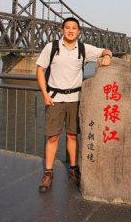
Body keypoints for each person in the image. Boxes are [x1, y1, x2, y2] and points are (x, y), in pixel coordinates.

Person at [36, 17, 112, 193]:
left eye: (74, 28)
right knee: (53, 137)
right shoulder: (52, 47)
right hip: (54, 99)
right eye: (67, 27)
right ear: (62, 30)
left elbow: (105, 50)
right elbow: (40, 69)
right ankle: (48, 173)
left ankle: (74, 169)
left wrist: (107, 56)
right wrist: (45, 94)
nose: (70, 30)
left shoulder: (84, 48)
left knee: (72, 136)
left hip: (76, 99)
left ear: (78, 31)